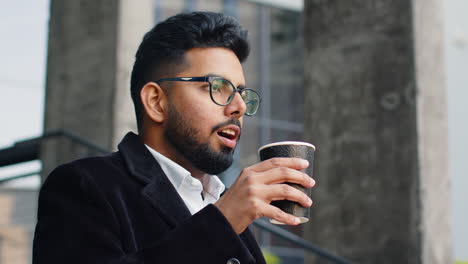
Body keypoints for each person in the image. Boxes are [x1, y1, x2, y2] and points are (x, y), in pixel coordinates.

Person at [32, 11, 314, 264]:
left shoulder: (224, 201)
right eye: (217, 86)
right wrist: (222, 222)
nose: (238, 106)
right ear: (156, 101)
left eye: (241, 92)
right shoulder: (86, 186)